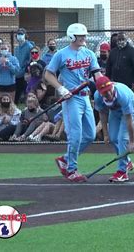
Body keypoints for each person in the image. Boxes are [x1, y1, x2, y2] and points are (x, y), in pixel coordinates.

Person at [44, 23, 103, 182]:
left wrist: (104, 86)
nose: (84, 38)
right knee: (75, 135)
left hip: (85, 97)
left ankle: (65, 159)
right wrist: (61, 89)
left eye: (84, 35)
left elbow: (96, 74)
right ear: (72, 36)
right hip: (71, 99)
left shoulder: (89, 53)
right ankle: (72, 169)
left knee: (90, 135)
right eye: (81, 36)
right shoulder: (61, 54)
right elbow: (49, 75)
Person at [94, 76, 134, 182]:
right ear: (100, 92)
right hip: (114, 111)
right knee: (113, 138)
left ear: (112, 86)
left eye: (109, 91)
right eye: (104, 92)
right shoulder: (98, 97)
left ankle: (122, 172)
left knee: (122, 138)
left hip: (129, 108)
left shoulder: (123, 96)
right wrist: (105, 134)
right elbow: (103, 114)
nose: (108, 94)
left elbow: (129, 121)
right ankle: (127, 161)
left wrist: (131, 141)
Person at [14, 28, 35, 104]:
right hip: (17, 73)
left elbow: (30, 60)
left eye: (21, 34)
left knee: (27, 92)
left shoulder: (29, 46)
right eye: (18, 34)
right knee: (16, 93)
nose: (19, 36)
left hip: (25, 73)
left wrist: (25, 70)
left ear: (25, 35)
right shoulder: (17, 48)